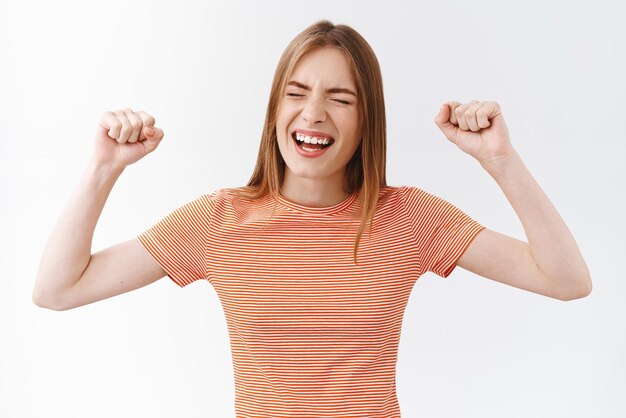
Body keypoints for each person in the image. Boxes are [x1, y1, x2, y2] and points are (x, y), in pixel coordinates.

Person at [33, 19, 591, 417]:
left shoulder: (408, 217)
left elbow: (565, 280)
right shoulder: (219, 220)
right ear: (276, 109)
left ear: (366, 117)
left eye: (340, 98)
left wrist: (500, 159)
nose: (313, 113)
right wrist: (103, 168)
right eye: (296, 93)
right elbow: (58, 289)